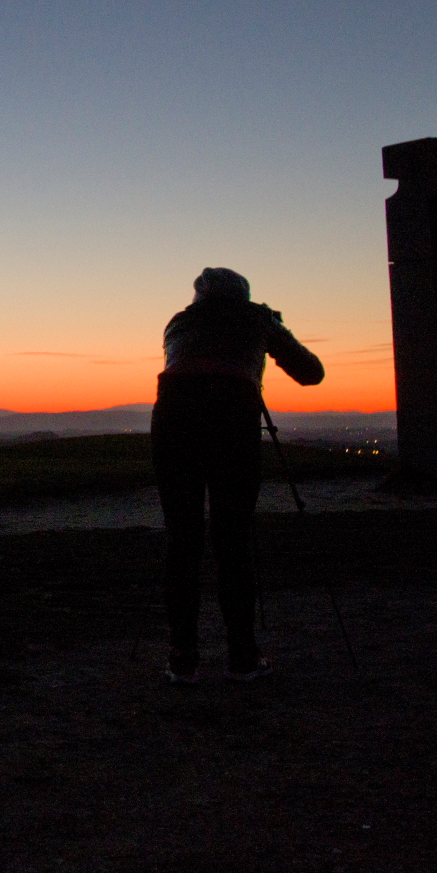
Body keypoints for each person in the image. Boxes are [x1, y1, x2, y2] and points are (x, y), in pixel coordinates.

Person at [151, 267, 323, 684]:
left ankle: (182, 657)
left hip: (172, 422)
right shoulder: (256, 319)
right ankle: (242, 657)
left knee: (182, 540)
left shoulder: (178, 322)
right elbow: (311, 373)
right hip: (232, 420)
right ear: (243, 295)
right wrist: (274, 327)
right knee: (232, 540)